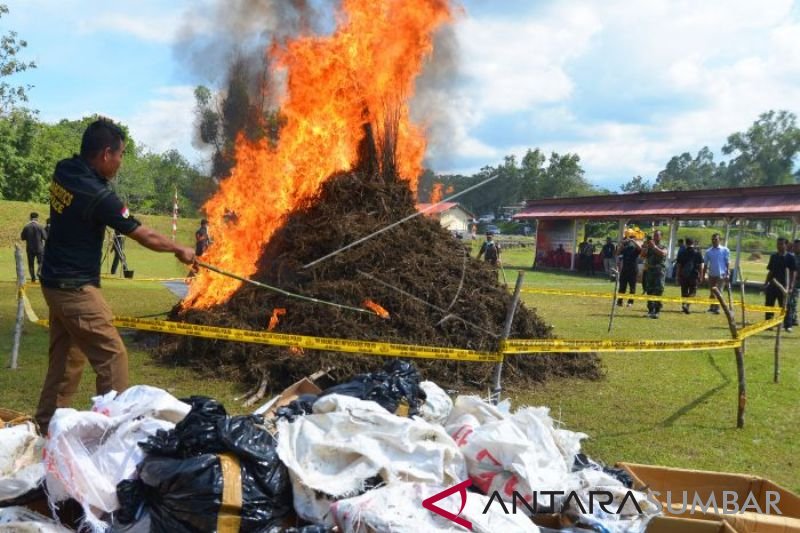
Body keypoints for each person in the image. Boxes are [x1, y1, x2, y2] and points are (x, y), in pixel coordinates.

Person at [35, 118, 196, 433]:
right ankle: (114, 432)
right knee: (113, 358)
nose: (121, 162)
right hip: (74, 288)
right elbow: (144, 235)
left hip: (53, 282)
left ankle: (46, 424)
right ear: (106, 153)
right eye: (121, 154)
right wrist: (180, 249)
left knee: (67, 357)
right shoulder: (99, 195)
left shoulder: (64, 169)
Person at [763, 237, 797, 332]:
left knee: (785, 306)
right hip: (773, 285)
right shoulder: (774, 256)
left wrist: (791, 286)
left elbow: (793, 272)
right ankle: (769, 324)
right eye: (778, 244)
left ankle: (788, 325)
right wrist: (766, 283)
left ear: (786, 245)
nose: (779, 246)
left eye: (781, 244)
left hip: (784, 286)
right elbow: (770, 271)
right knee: (769, 304)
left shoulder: (790, 257)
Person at [702, 233, 730, 314]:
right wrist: (704, 275)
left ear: (719, 240)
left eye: (716, 239)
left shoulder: (725, 250)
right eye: (713, 240)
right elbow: (706, 264)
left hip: (722, 274)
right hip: (712, 274)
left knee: (719, 292)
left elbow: (727, 262)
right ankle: (711, 307)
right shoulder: (708, 251)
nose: (714, 241)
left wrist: (727, 273)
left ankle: (717, 308)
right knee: (712, 292)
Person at [675, 238, 704, 314]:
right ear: (693, 243)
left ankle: (684, 304)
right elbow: (701, 266)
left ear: (686, 243)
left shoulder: (682, 252)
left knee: (684, 291)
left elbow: (678, 266)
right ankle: (687, 305)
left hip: (683, 275)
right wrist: (701, 276)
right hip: (694, 275)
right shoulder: (698, 253)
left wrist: (677, 276)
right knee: (693, 291)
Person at [643, 230, 668, 318]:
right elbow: (643, 255)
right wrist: (645, 247)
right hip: (650, 270)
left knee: (658, 290)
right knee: (649, 290)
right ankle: (650, 310)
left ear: (661, 237)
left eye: (657, 235)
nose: (655, 237)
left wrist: (654, 247)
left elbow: (663, 253)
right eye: (654, 235)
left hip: (659, 271)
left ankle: (657, 311)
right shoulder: (649, 246)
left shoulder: (663, 246)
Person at [20, 212, 47, 282]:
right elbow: (45, 237)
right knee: (41, 262)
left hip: (30, 248)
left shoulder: (26, 227)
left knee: (31, 264)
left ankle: (33, 277)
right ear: (37, 218)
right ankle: (39, 272)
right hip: (39, 248)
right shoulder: (40, 226)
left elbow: (22, 238)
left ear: (30, 218)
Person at [616, 237, 641, 307]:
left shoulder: (635, 249)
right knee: (622, 287)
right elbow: (617, 253)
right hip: (624, 270)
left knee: (632, 288)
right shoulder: (625, 249)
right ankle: (619, 302)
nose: (629, 242)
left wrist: (634, 241)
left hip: (633, 270)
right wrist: (622, 243)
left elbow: (640, 249)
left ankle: (630, 302)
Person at [788, 239, 800, 328]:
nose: (795, 248)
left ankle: (793, 318)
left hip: (797, 281)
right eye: (794, 246)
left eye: (797, 246)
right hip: (793, 281)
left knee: (793, 300)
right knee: (792, 300)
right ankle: (792, 318)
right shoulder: (792, 256)